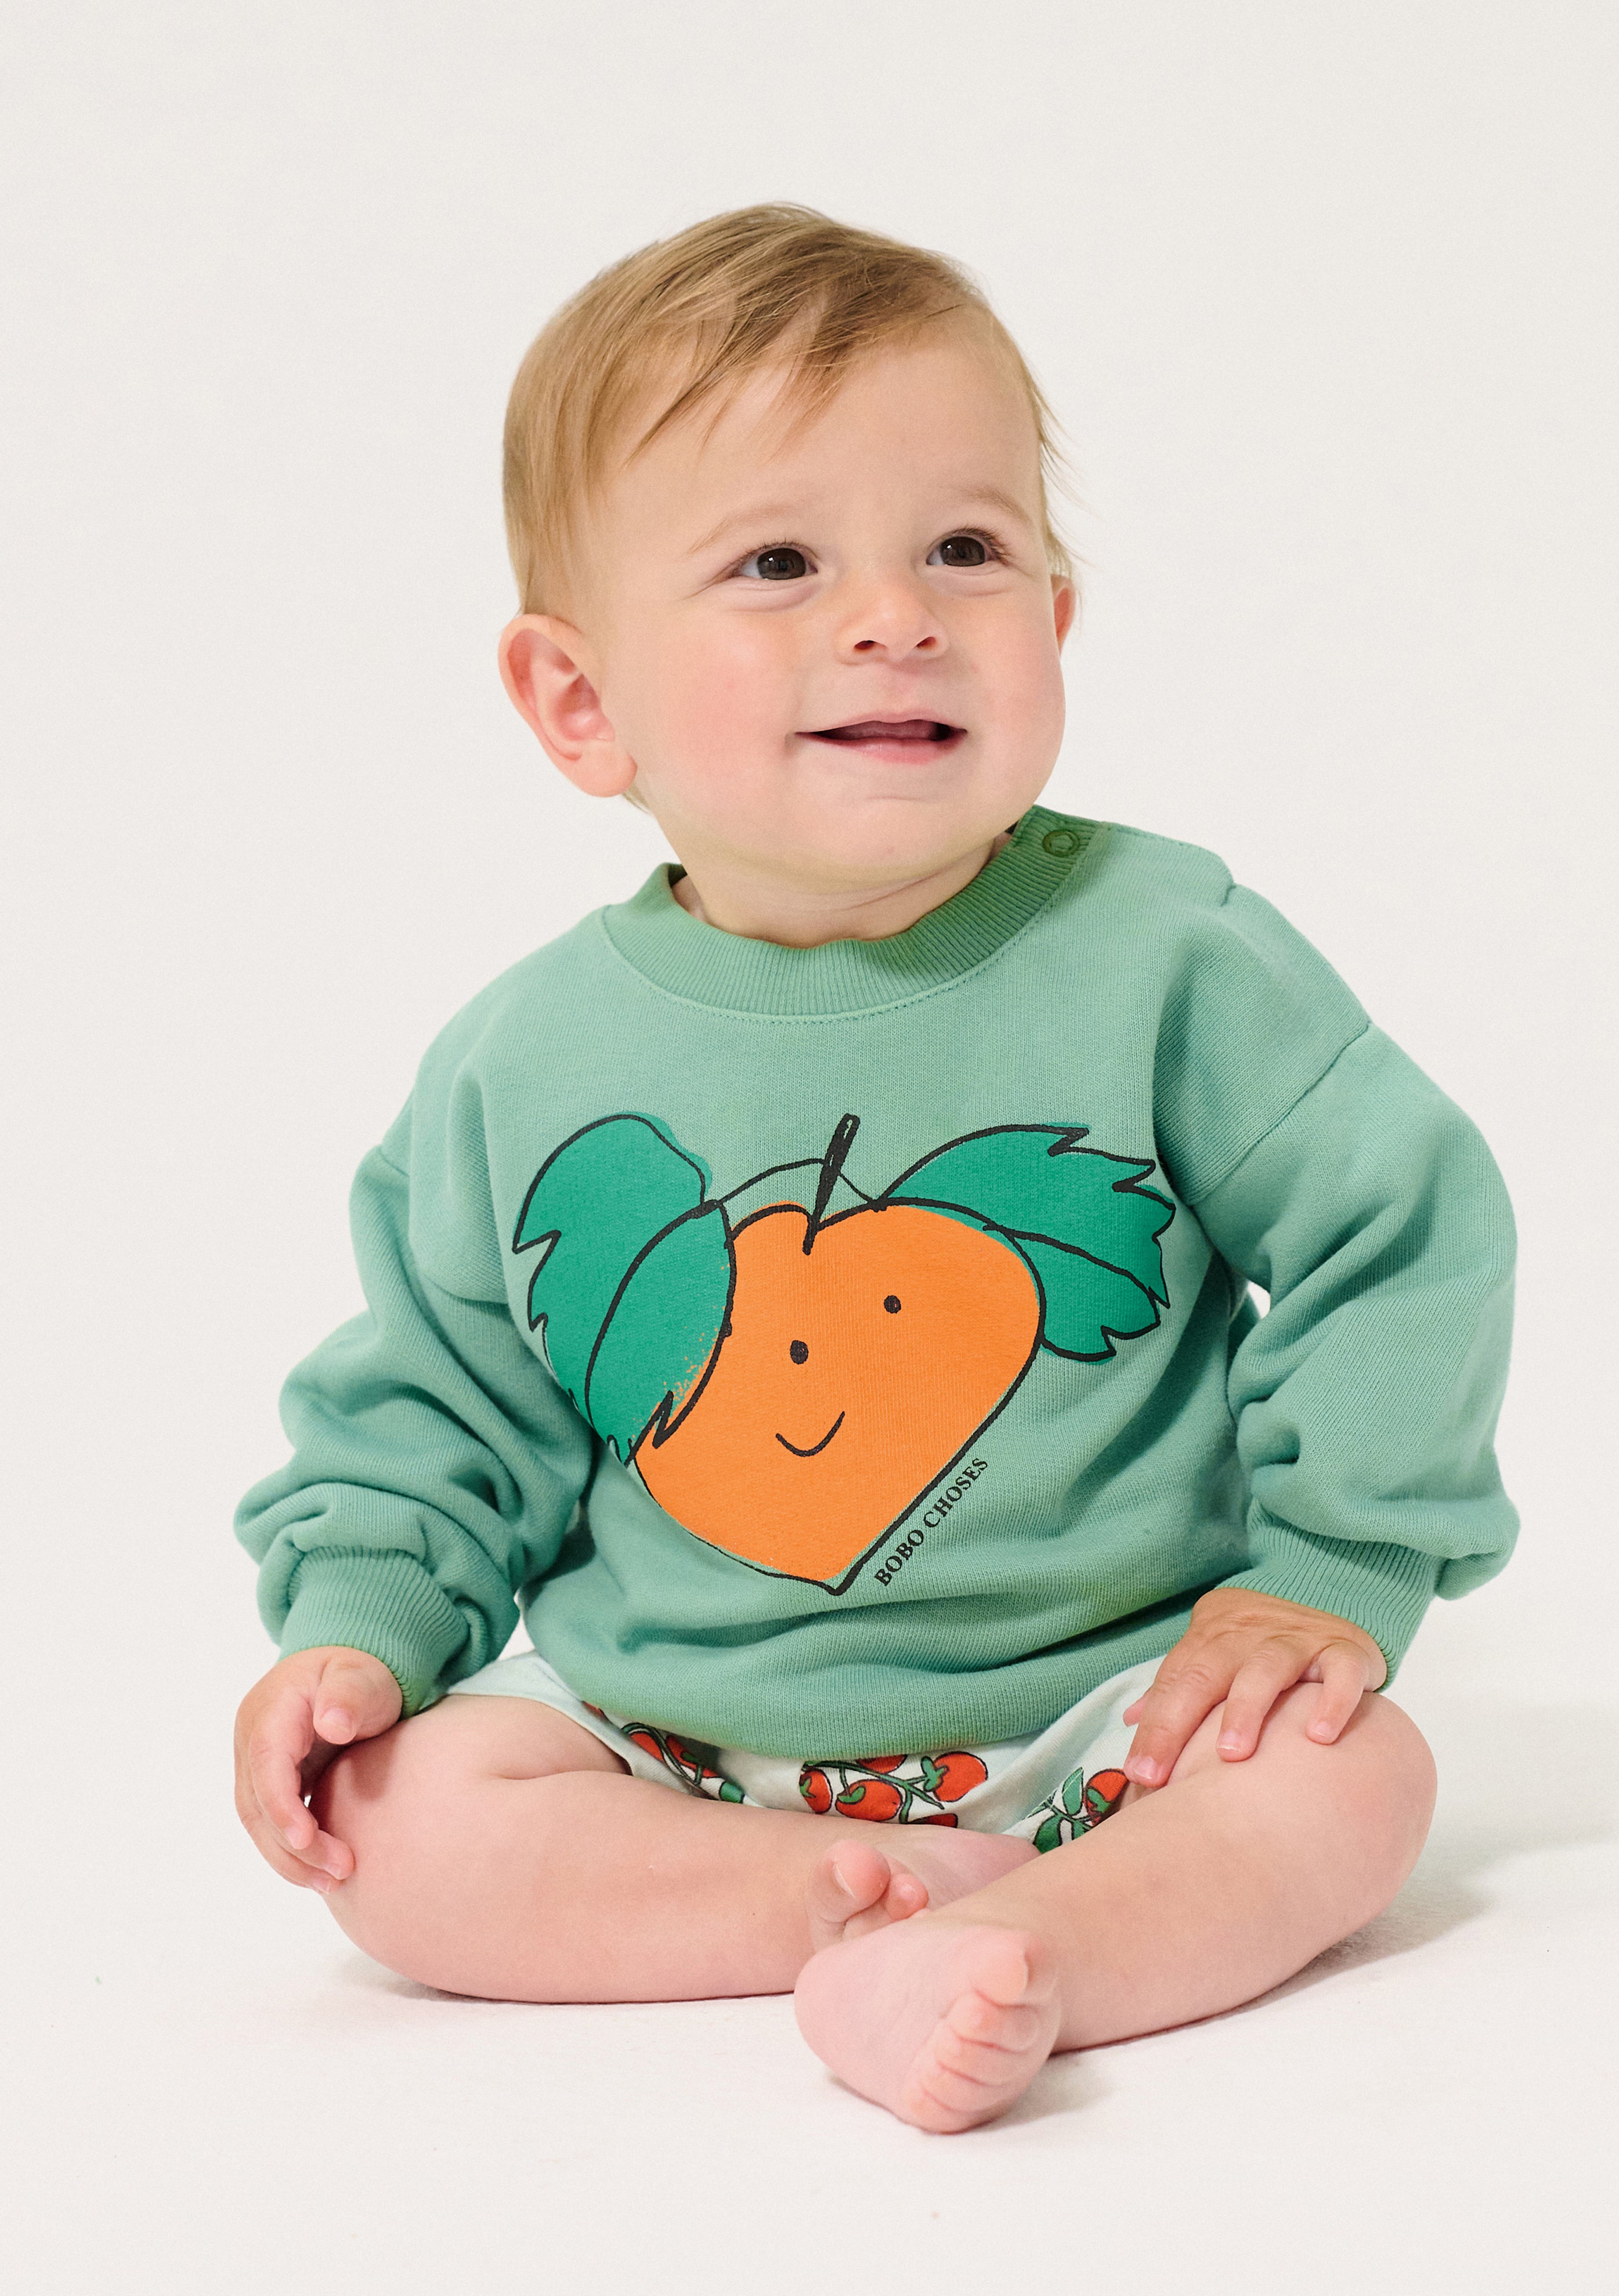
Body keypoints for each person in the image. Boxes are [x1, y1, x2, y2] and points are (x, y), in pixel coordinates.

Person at [233, 205, 1516, 2132]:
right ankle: (840, 1904)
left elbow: (1398, 1225)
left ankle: (1050, 1937)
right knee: (396, 1832)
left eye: (968, 550)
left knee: (1357, 1781)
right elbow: (443, 1397)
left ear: (1054, 626)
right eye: (780, 563)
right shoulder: (525, 1060)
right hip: (671, 1736)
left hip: (1119, 1711)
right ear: (581, 701)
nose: (895, 616)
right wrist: (358, 1624)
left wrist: (1331, 1569)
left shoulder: (1166, 957)